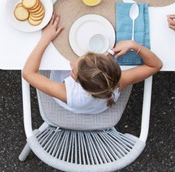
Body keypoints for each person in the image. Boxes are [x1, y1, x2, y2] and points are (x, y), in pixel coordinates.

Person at [22, 13, 162, 113]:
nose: (71, 64)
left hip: (76, 103)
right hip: (98, 105)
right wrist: (133, 45)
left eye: (73, 70)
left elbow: (28, 73)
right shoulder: (118, 82)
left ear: (76, 81)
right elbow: (156, 65)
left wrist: (45, 38)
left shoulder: (67, 93)